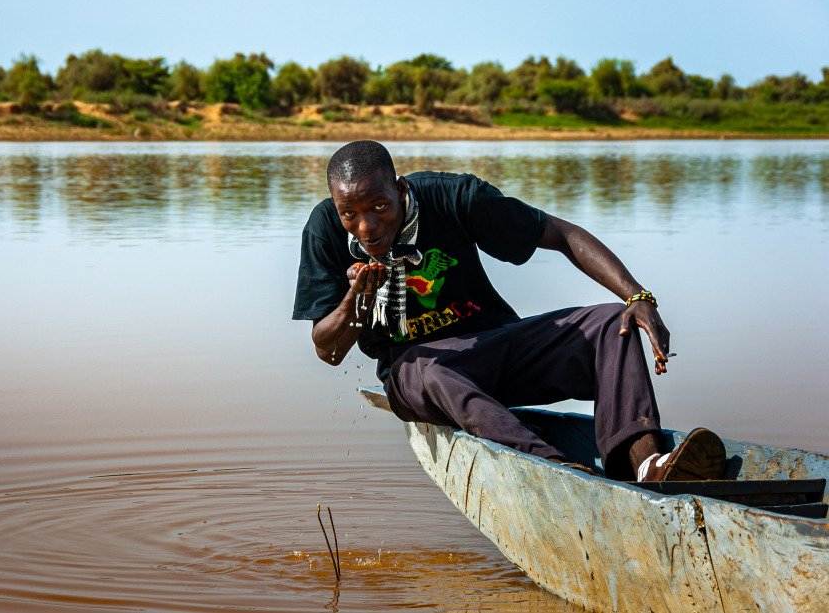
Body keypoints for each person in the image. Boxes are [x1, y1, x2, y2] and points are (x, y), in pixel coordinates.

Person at [292, 140, 725, 482]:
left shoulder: (452, 197)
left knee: (614, 322)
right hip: (416, 374)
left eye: (379, 207)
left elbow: (561, 234)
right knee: (433, 369)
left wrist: (637, 296)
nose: (365, 226)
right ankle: (555, 469)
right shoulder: (325, 231)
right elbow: (327, 350)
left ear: (400, 188)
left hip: (495, 350)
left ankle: (648, 464)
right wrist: (357, 301)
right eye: (350, 213)